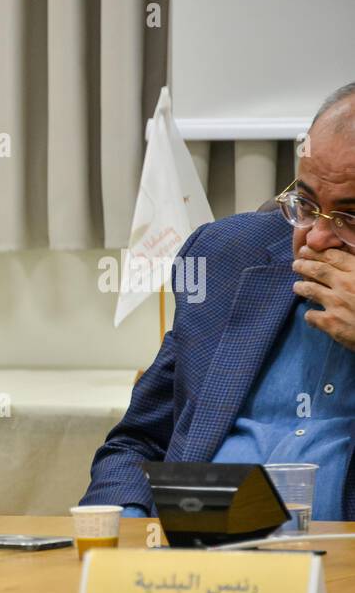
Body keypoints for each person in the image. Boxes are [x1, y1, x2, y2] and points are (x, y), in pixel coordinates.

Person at [83, 82, 355, 520]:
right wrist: (125, 533)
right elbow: (139, 443)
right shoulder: (226, 257)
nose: (315, 237)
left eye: (350, 216)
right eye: (305, 203)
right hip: (202, 551)